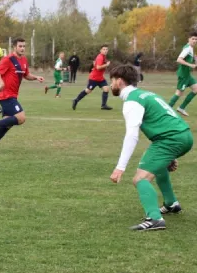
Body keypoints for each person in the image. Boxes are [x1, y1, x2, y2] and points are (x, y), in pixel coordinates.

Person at [109, 64, 193, 231]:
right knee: (158, 168)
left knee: (140, 179)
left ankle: (154, 219)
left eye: (111, 81)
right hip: (182, 135)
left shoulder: (132, 101)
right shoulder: (146, 94)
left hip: (170, 140)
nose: (110, 85)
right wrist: (171, 153)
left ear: (119, 81)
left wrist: (120, 168)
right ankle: (171, 203)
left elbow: (132, 135)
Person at [0, 38, 44, 153]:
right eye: (20, 46)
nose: (22, 48)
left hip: (12, 95)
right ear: (14, 47)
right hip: (6, 95)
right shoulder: (8, 59)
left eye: (24, 46)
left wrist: (36, 77)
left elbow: (26, 75)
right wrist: (1, 83)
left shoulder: (24, 60)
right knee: (21, 118)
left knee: (8, 123)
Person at [72, 45, 113, 110]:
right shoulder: (100, 57)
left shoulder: (103, 57)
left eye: (106, 49)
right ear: (101, 50)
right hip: (94, 78)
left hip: (100, 78)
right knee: (88, 91)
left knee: (106, 89)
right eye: (104, 49)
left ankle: (103, 105)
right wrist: (106, 65)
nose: (105, 51)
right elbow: (98, 67)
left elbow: (95, 64)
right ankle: (76, 100)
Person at [168, 32, 197, 116]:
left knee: (196, 89)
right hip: (183, 75)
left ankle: (181, 108)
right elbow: (179, 59)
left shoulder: (191, 48)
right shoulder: (187, 48)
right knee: (179, 93)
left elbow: (189, 60)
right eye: (193, 39)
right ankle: (168, 109)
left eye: (196, 39)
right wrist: (190, 65)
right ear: (189, 39)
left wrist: (194, 59)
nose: (195, 41)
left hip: (188, 75)